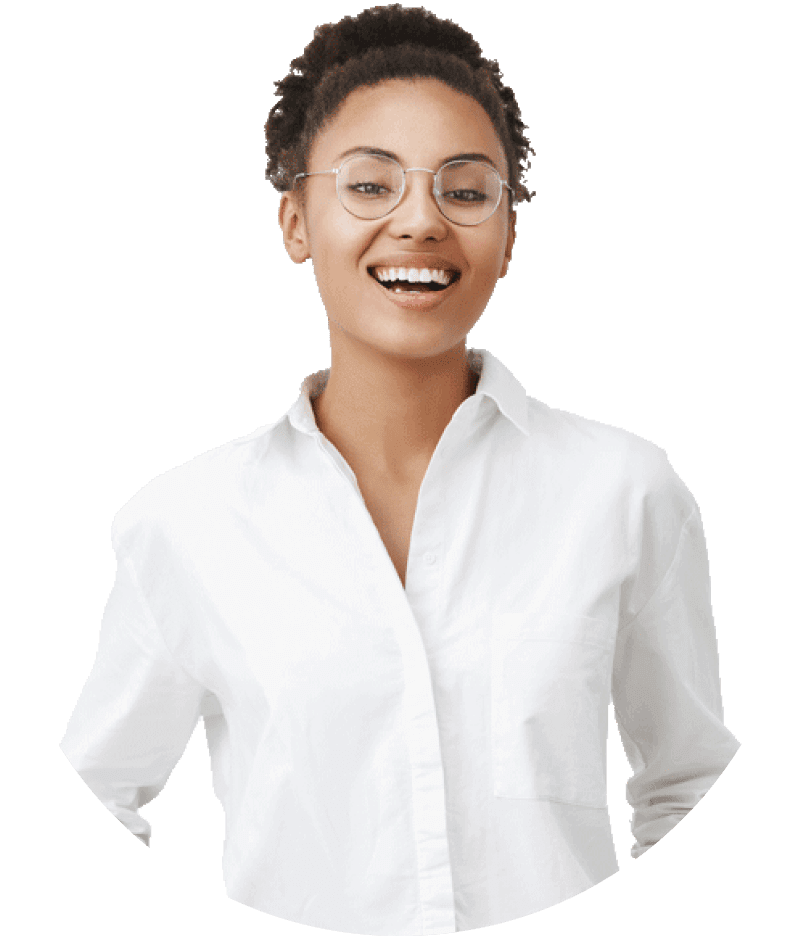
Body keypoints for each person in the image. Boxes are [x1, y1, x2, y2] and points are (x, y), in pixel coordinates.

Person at [59, 5, 740, 933]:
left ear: (508, 231)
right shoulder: (186, 524)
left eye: (466, 191)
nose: (419, 222)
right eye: (370, 185)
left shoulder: (623, 494)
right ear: (296, 220)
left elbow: (691, 784)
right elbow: (100, 787)